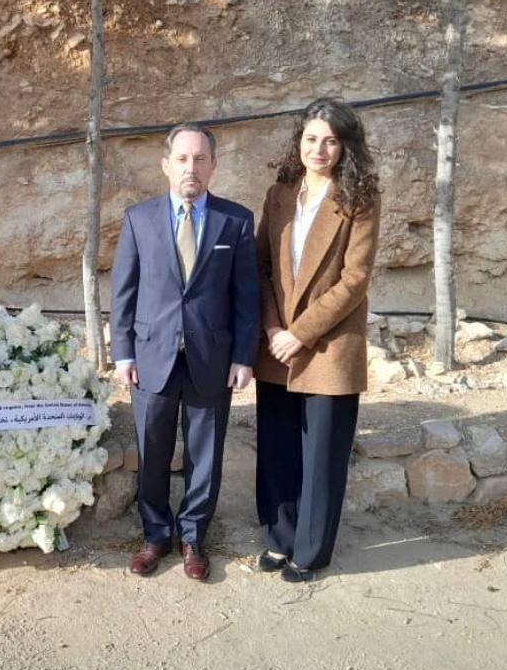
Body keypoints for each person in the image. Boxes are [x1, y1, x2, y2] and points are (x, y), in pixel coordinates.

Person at [111, 124, 259, 580]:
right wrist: (123, 354)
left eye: (199, 159)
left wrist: (244, 356)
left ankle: (194, 536)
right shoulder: (138, 219)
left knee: (205, 453)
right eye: (182, 158)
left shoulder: (236, 221)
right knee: (152, 450)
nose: (190, 167)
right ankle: (155, 535)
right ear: (166, 165)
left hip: (211, 357)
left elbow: (246, 296)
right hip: (151, 356)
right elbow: (123, 292)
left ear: (213, 165)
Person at [253, 97, 380, 583]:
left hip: (329, 345)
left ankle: (310, 552)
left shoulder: (359, 200)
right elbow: (261, 266)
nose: (319, 149)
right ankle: (279, 538)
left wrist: (300, 333)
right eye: (311, 138)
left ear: (346, 147)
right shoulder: (280, 194)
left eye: (330, 140)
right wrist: (273, 330)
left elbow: (355, 280)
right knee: (278, 448)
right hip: (276, 345)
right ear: (299, 141)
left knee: (322, 455)